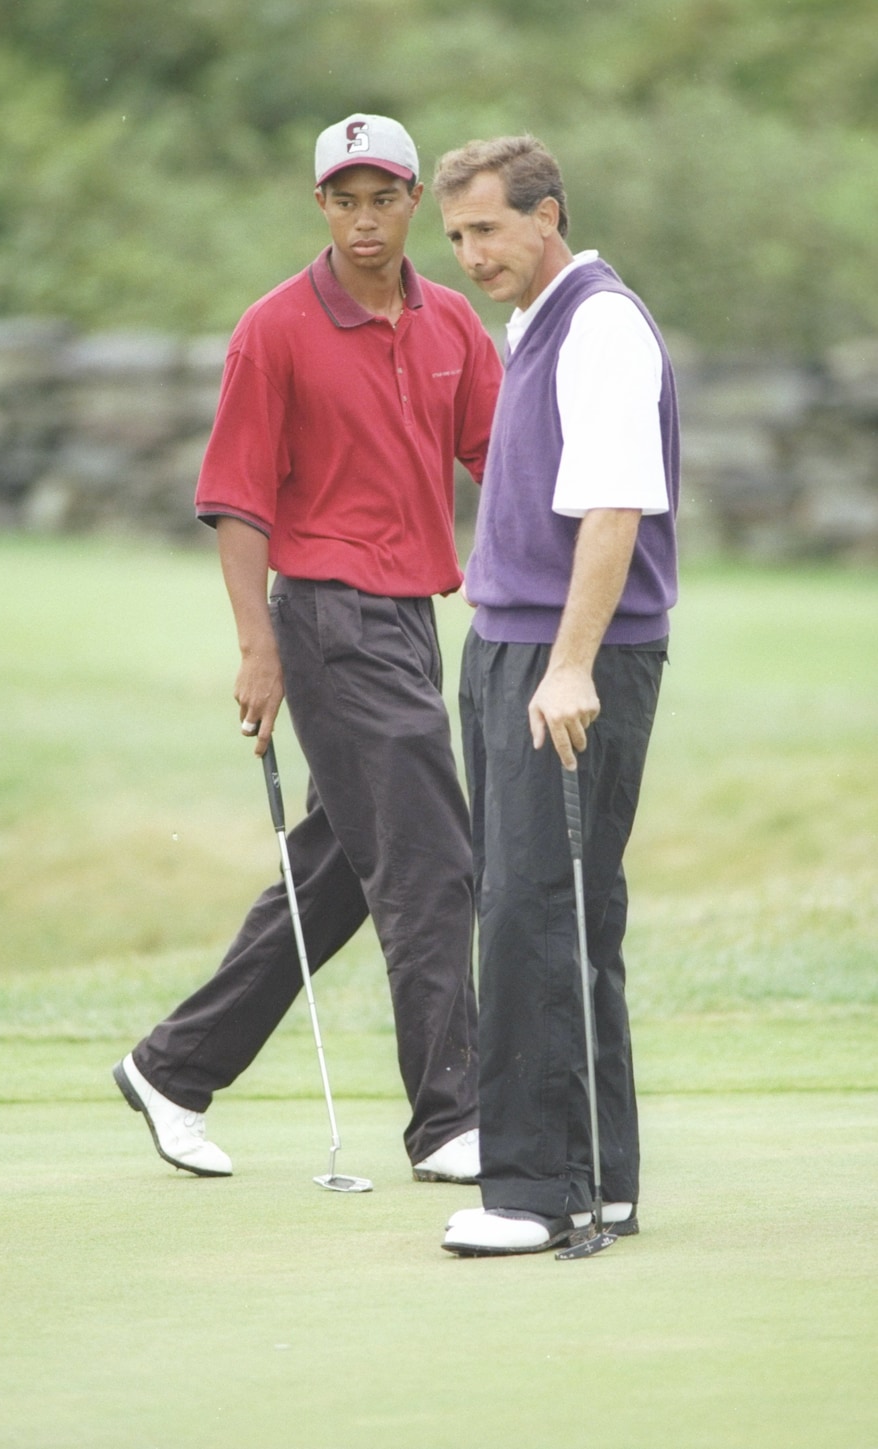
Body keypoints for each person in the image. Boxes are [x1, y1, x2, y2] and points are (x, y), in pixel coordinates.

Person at [113, 114, 502, 1185]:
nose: (364, 220)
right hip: (328, 620)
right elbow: (236, 501)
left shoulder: (453, 325)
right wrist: (258, 648)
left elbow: (500, 460)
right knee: (432, 868)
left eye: (383, 198)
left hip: (411, 622)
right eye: (344, 199)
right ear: (319, 204)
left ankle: (173, 1067)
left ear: (414, 199)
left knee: (340, 869)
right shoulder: (274, 328)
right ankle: (450, 1122)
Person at [432, 136, 679, 1255]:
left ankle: (537, 1192)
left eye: (487, 229)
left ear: (548, 216)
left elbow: (616, 512)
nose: (471, 254)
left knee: (533, 911)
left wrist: (567, 664)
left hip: (564, 656)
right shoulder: (538, 324)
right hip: (515, 645)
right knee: (562, 908)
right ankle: (604, 1178)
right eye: (458, 237)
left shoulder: (601, 326)